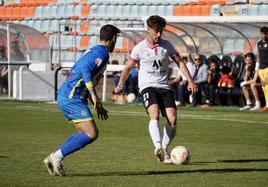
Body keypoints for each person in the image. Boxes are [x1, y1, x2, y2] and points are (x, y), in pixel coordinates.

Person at [115, 15, 197, 164]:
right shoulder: (139, 48)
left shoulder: (167, 46)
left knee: (172, 119)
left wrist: (190, 80)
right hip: (147, 86)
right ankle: (158, 146)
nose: (159, 34)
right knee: (155, 114)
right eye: (156, 31)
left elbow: (180, 63)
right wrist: (121, 82)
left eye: (161, 31)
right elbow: (128, 67)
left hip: (164, 86)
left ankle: (164, 149)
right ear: (149, 29)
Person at [43, 24, 120, 176]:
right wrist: (93, 95)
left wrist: (96, 102)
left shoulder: (96, 51)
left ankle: (56, 157)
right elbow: (85, 68)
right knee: (91, 133)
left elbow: (86, 74)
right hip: (72, 97)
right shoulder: (101, 53)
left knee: (84, 133)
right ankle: (56, 157)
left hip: (70, 95)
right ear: (114, 39)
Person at [256, 26, 268, 112]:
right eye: (262, 34)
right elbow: (258, 56)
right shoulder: (259, 43)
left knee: (267, 84)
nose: (263, 36)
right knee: (264, 86)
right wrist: (257, 67)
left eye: (265, 34)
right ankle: (267, 104)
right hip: (261, 68)